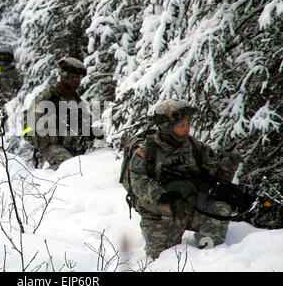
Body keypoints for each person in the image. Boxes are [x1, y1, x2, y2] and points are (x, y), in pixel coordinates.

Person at [119, 99, 242, 260]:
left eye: (187, 124)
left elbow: (215, 176)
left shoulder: (193, 146)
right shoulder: (147, 152)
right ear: (166, 128)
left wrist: (228, 165)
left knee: (220, 211)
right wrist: (165, 195)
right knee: (161, 260)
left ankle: (205, 258)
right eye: (180, 126)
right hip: (160, 214)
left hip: (191, 208)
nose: (186, 129)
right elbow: (139, 184)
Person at [23, 57, 102, 170]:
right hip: (51, 148)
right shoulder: (47, 97)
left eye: (79, 79)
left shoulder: (77, 101)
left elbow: (83, 125)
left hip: (73, 149)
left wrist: (90, 132)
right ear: (66, 76)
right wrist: (50, 127)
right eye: (75, 78)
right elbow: (29, 129)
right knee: (67, 169)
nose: (78, 82)